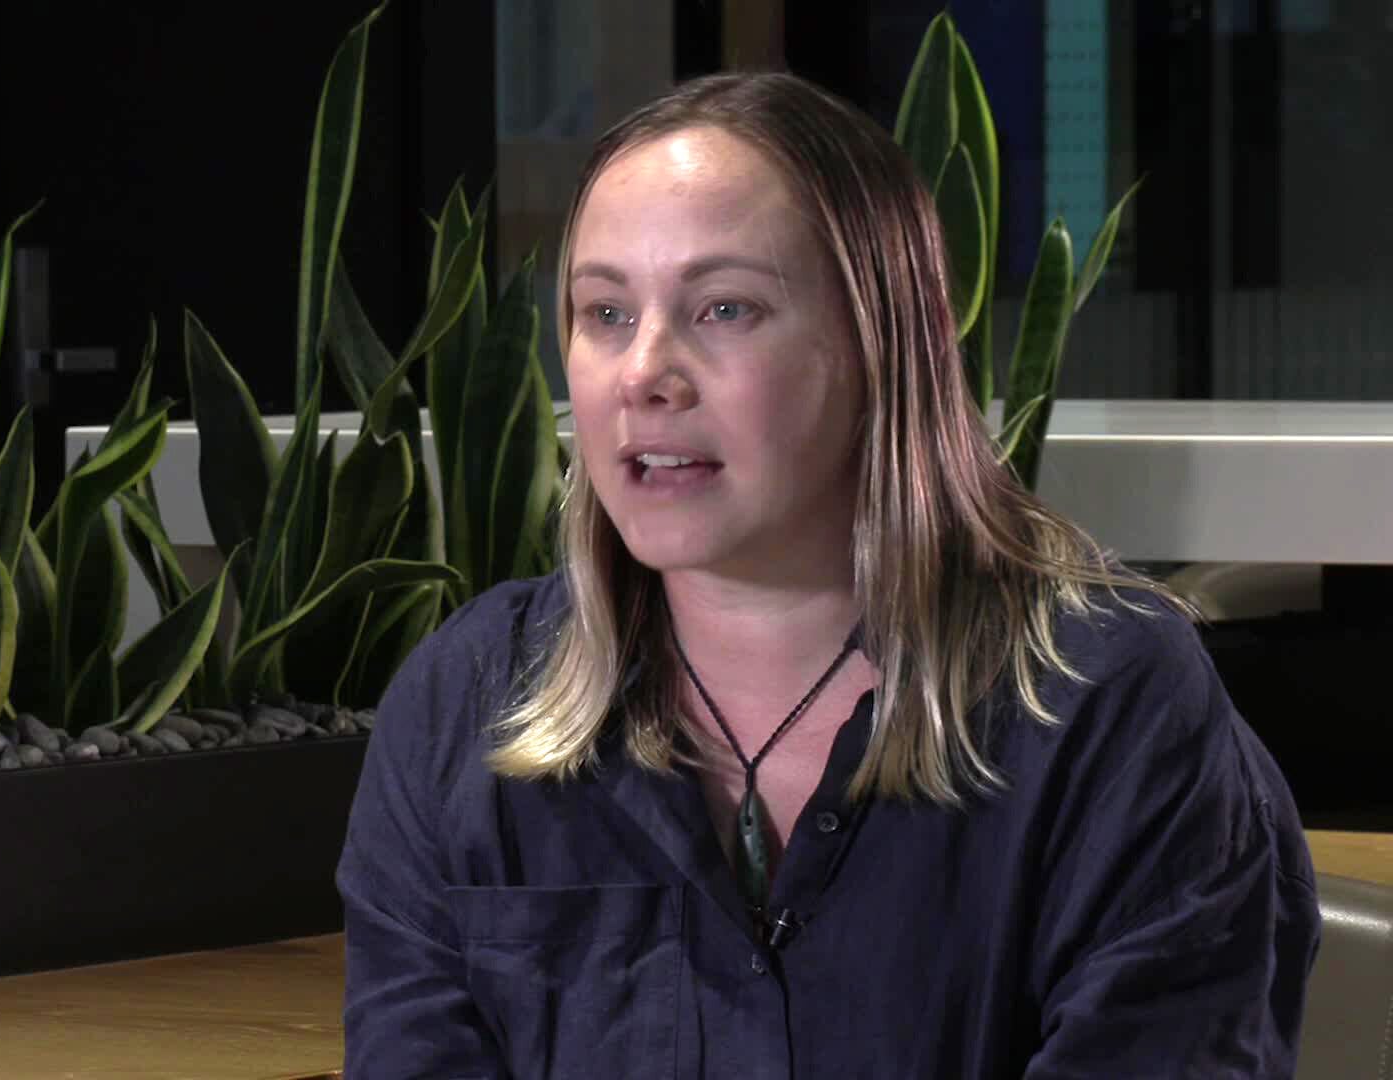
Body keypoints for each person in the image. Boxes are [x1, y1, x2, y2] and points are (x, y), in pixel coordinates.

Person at [335, 70, 1321, 1078]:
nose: (645, 374)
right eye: (606, 314)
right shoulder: (465, 703)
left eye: (724, 309)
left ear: (887, 348)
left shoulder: (1108, 705)